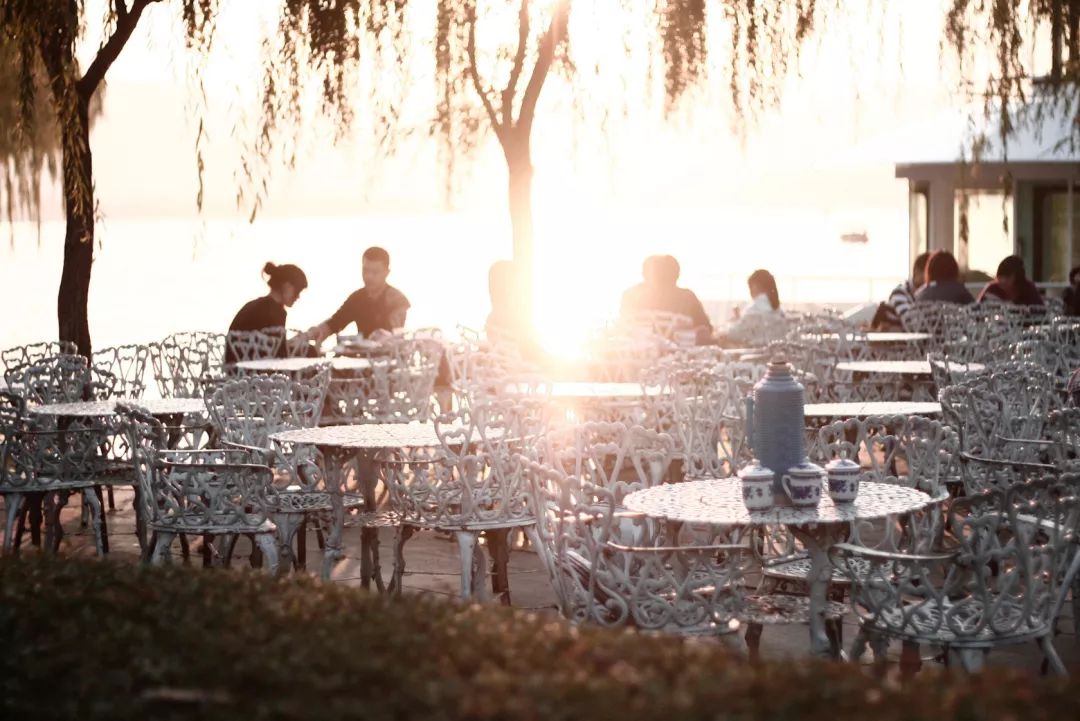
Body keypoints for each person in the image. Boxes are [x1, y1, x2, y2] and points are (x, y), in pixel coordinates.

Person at [307, 246, 410, 343]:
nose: (369, 276)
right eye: (365, 270)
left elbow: (397, 334)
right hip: (363, 354)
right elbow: (335, 322)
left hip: (390, 354)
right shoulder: (357, 298)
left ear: (387, 272)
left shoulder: (397, 299)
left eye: (375, 272)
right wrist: (312, 333)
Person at [225, 262, 308, 364]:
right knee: (309, 351)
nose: (298, 297)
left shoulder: (254, 305)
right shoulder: (276, 312)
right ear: (286, 285)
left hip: (235, 367)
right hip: (255, 368)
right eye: (297, 291)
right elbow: (280, 354)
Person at [620, 255, 712, 342]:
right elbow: (706, 329)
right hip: (676, 352)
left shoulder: (631, 295)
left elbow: (621, 329)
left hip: (641, 352)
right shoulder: (687, 297)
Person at [716, 269, 783, 345]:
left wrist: (721, 330)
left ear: (754, 286)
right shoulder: (779, 311)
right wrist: (739, 319)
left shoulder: (754, 309)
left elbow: (735, 333)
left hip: (755, 350)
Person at [871, 252, 930, 330]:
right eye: (928, 274)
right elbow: (911, 324)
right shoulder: (900, 293)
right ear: (917, 272)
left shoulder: (925, 293)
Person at [976, 255, 1043, 305]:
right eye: (999, 277)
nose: (1002, 280)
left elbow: (1040, 312)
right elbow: (977, 310)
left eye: (1007, 277)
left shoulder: (1029, 289)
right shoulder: (992, 290)